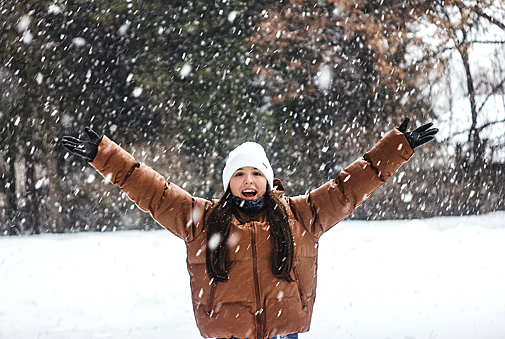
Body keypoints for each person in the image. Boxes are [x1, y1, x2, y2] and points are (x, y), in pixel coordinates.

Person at [62, 117, 438, 339]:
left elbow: (348, 188)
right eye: (239, 173)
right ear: (228, 181)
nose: (248, 180)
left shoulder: (301, 216)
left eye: (256, 172)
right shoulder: (202, 220)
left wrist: (396, 147)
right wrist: (104, 155)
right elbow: (153, 191)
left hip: (283, 332)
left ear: (268, 179)